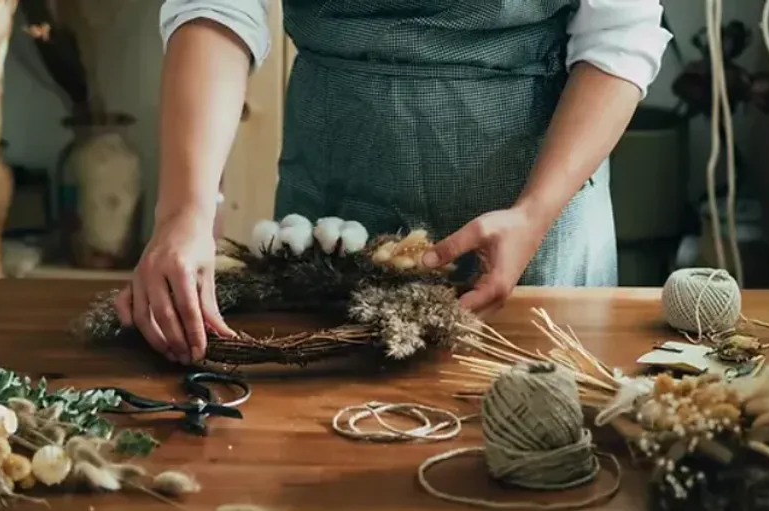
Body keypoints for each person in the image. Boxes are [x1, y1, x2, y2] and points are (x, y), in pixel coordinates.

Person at [114, 0, 672, 365]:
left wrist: (534, 211)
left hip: (536, 221)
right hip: (330, 211)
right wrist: (183, 212)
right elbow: (217, 6)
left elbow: (620, 32)